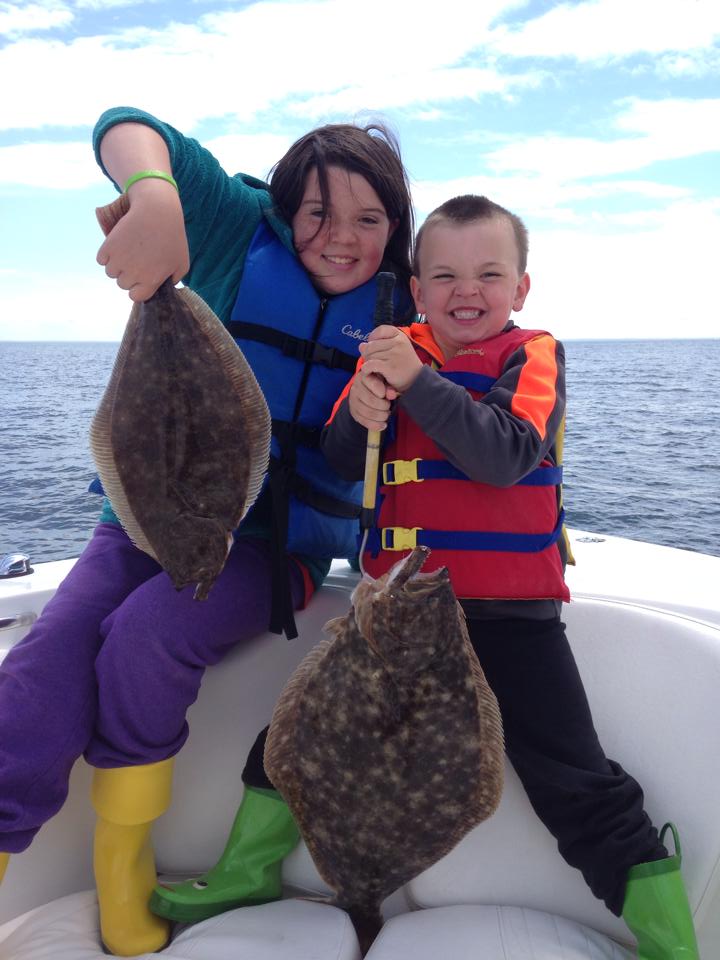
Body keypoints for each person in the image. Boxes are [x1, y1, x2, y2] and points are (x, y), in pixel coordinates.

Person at [0, 107, 414, 956]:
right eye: (317, 213)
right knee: (47, 661)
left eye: (369, 219)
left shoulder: (406, 305)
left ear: (397, 226)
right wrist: (154, 195)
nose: (341, 237)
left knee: (149, 632)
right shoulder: (233, 234)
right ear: (284, 211)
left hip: (273, 549)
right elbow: (124, 127)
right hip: (146, 519)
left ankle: (122, 857)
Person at [317, 194, 699, 959]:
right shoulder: (391, 354)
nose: (467, 290)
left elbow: (503, 455)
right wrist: (358, 412)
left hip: (514, 618)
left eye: (489, 274)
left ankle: (672, 944)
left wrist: (415, 382)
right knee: (309, 735)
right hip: (402, 611)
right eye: (444, 275)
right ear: (417, 289)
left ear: (521, 288)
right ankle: (247, 869)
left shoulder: (534, 356)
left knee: (577, 781)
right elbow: (338, 460)